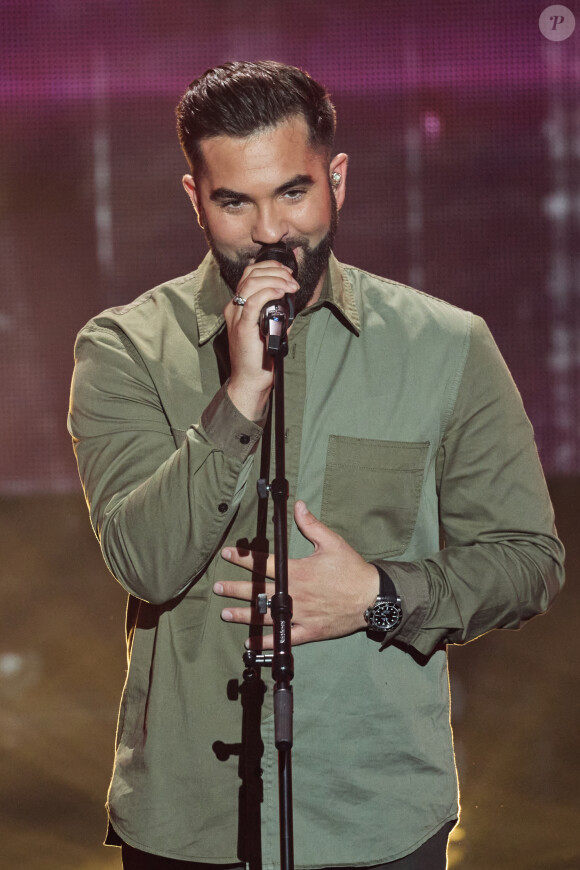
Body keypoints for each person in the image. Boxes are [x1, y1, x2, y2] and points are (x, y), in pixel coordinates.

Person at [68, 61, 564, 870]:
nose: (270, 230)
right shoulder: (123, 349)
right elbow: (147, 564)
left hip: (375, 815)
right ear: (196, 197)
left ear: (336, 179)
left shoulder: (446, 345)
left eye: (293, 193)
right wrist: (240, 392)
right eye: (235, 201)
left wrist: (382, 594)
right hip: (189, 821)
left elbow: (528, 563)